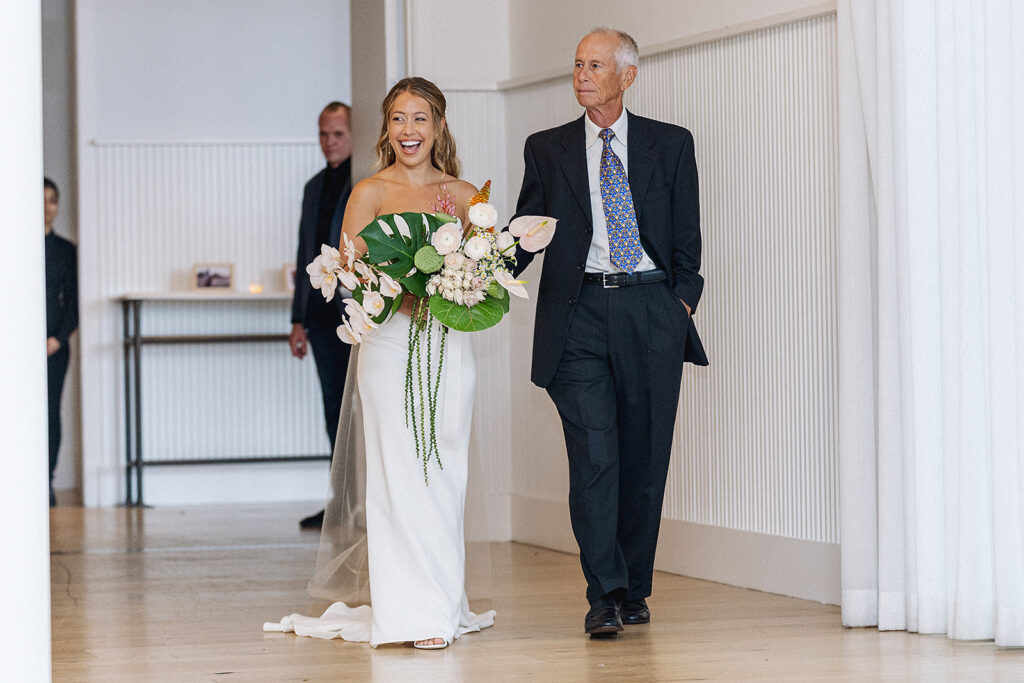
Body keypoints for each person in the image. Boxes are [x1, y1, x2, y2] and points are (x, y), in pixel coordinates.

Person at [266, 77, 495, 649]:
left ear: (438, 125)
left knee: (444, 475)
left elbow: (486, 274)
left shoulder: (466, 196)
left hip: (447, 346)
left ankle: (441, 601)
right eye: (398, 118)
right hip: (389, 347)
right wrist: (394, 285)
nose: (408, 131)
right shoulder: (367, 192)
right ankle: (409, 612)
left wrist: (456, 284)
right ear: (386, 128)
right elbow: (350, 274)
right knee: (395, 480)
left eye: (420, 118)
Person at [511, 28, 708, 637]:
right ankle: (604, 592)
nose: (582, 75)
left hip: (651, 310)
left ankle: (635, 589)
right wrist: (465, 269)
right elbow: (525, 235)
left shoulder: (670, 145)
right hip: (578, 319)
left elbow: (687, 242)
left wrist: (680, 304)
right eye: (577, 65)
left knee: (644, 459)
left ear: (628, 75)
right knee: (594, 457)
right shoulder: (546, 149)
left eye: (595, 65)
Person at [290, 102, 354, 529]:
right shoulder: (314, 186)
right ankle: (341, 504)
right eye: (323, 134)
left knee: (363, 409)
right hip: (319, 315)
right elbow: (303, 253)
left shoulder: (365, 179)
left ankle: (366, 502)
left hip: (357, 311)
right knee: (333, 407)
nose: (328, 143)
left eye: (337, 134)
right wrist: (297, 319)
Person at [44, 177, 78, 508]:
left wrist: (56, 339)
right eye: (41, 199)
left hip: (54, 348)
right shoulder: (14, 247)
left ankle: (46, 480)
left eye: (52, 200)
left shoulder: (66, 251)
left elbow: (74, 305)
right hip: (17, 350)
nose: (47, 207)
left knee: (51, 412)